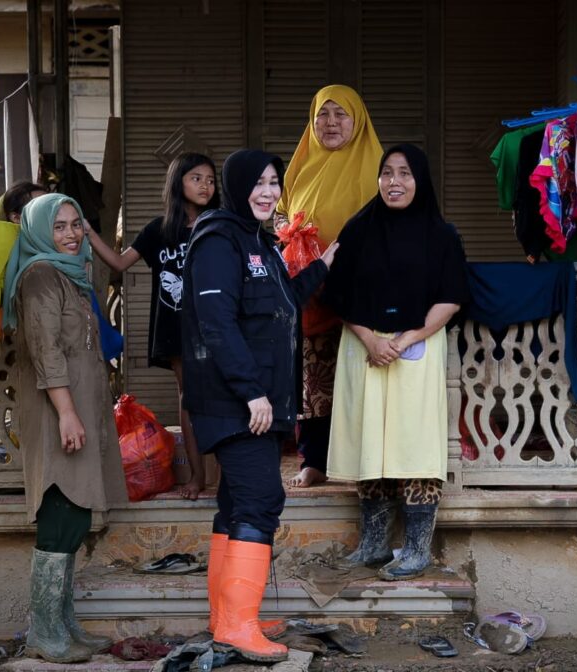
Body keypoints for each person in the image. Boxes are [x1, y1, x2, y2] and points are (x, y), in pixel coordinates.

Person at [182, 150, 337, 662]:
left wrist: (324, 264)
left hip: (257, 401)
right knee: (260, 500)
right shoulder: (218, 239)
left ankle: (228, 616)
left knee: (236, 505)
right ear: (238, 185)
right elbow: (217, 322)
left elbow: (282, 303)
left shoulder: (258, 242)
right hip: (236, 401)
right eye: (260, 183)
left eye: (275, 183)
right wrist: (251, 391)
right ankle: (239, 625)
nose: (268, 192)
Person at [323, 144, 468, 581]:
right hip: (363, 348)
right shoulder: (359, 229)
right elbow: (337, 294)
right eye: (387, 173)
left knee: (413, 445)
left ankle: (418, 549)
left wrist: (409, 337)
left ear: (419, 180)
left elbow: (451, 296)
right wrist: (370, 337)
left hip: (416, 350)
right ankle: (373, 544)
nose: (394, 182)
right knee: (371, 444)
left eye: (404, 173)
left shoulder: (441, 236)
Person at [2, 193, 127, 663]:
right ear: (37, 232)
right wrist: (68, 413)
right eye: (59, 227)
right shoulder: (38, 277)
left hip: (80, 405)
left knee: (75, 515)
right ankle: (43, 630)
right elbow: (46, 351)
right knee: (60, 511)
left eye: (76, 224)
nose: (72, 234)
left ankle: (63, 623)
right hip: (57, 410)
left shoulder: (71, 274)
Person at [85, 153, 219, 499]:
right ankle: (196, 477)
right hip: (177, 327)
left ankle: (227, 475)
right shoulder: (158, 231)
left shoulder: (220, 225)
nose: (205, 185)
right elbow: (118, 262)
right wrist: (87, 231)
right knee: (188, 397)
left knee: (223, 397)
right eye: (196, 178)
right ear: (178, 183)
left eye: (210, 179)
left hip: (219, 326)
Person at [277, 84, 383, 488]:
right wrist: (293, 238)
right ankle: (315, 460)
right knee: (313, 380)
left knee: (361, 374)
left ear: (357, 121)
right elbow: (281, 216)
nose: (331, 122)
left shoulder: (378, 166)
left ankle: (362, 460)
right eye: (324, 114)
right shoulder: (299, 167)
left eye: (341, 114)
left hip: (362, 290)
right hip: (311, 292)